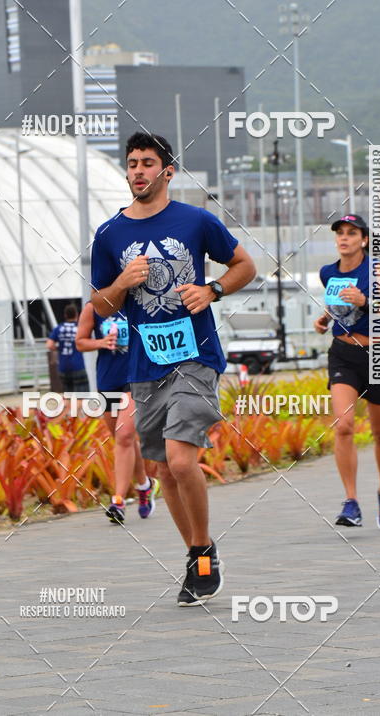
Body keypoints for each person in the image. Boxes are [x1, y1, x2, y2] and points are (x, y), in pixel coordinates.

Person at [91, 132, 256, 606]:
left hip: (195, 358)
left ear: (168, 171)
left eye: (148, 163)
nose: (138, 170)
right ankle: (196, 552)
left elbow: (245, 264)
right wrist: (122, 281)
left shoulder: (196, 221)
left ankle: (203, 554)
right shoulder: (109, 235)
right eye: (132, 163)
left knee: (182, 459)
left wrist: (214, 290)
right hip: (144, 365)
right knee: (161, 467)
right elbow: (100, 306)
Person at [314, 214, 380, 531]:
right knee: (344, 426)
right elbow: (337, 303)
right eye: (340, 233)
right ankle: (351, 502)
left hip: (379, 355)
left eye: (352, 233)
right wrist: (325, 318)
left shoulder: (378, 271)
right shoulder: (328, 273)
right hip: (342, 354)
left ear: (364, 239)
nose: (344, 238)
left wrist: (365, 301)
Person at [76, 301, 159, 524]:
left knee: (124, 436)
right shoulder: (94, 308)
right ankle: (145, 485)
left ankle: (118, 500)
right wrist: (101, 342)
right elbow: (80, 342)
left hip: (136, 377)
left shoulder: (140, 303)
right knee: (125, 441)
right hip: (108, 379)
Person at [46, 304, 89, 394]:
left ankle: (68, 408)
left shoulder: (59, 328)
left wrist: (59, 348)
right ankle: (74, 408)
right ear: (77, 315)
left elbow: (49, 345)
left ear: (65, 315)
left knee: (68, 395)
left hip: (63, 367)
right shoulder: (79, 328)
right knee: (81, 396)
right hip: (78, 365)